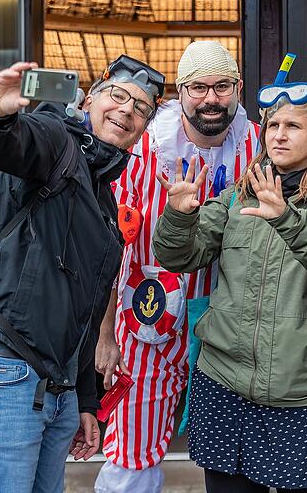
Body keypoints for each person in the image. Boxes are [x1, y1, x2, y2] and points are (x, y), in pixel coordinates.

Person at [0, 56, 165, 492]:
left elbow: (82, 305)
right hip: (3, 367)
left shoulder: (100, 191)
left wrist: (82, 397)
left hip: (55, 384)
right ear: (91, 101)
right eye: (118, 96)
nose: (127, 111)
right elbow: (2, 141)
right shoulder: (56, 138)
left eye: (141, 109)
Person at [152, 84, 307, 493]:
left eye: (293, 126)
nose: (279, 135)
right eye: (272, 126)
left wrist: (288, 220)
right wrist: (179, 216)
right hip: (226, 385)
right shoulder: (238, 196)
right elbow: (179, 258)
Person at [94, 41, 258, 493]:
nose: (211, 98)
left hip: (232, 329)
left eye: (222, 86)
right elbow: (110, 249)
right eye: (198, 87)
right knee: (132, 445)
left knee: (233, 454)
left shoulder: (261, 146)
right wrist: (105, 334)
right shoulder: (140, 148)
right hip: (144, 323)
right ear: (180, 93)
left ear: (238, 88)